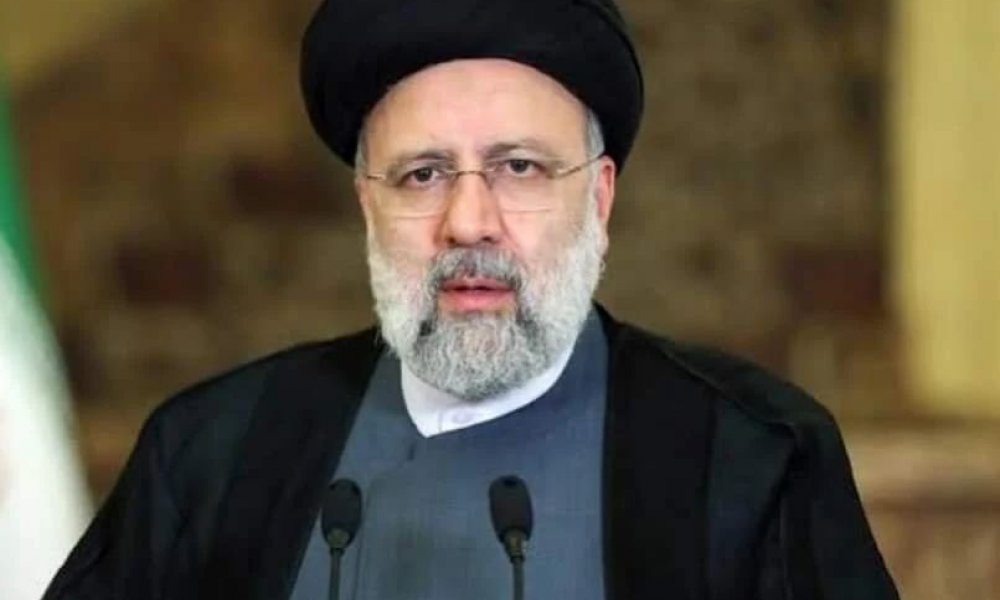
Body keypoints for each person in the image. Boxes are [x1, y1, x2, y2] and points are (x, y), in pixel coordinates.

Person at [44, 0, 899, 598]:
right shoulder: (209, 455)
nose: (468, 222)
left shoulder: (753, 458)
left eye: (518, 167)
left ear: (599, 200)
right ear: (367, 207)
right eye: (422, 174)